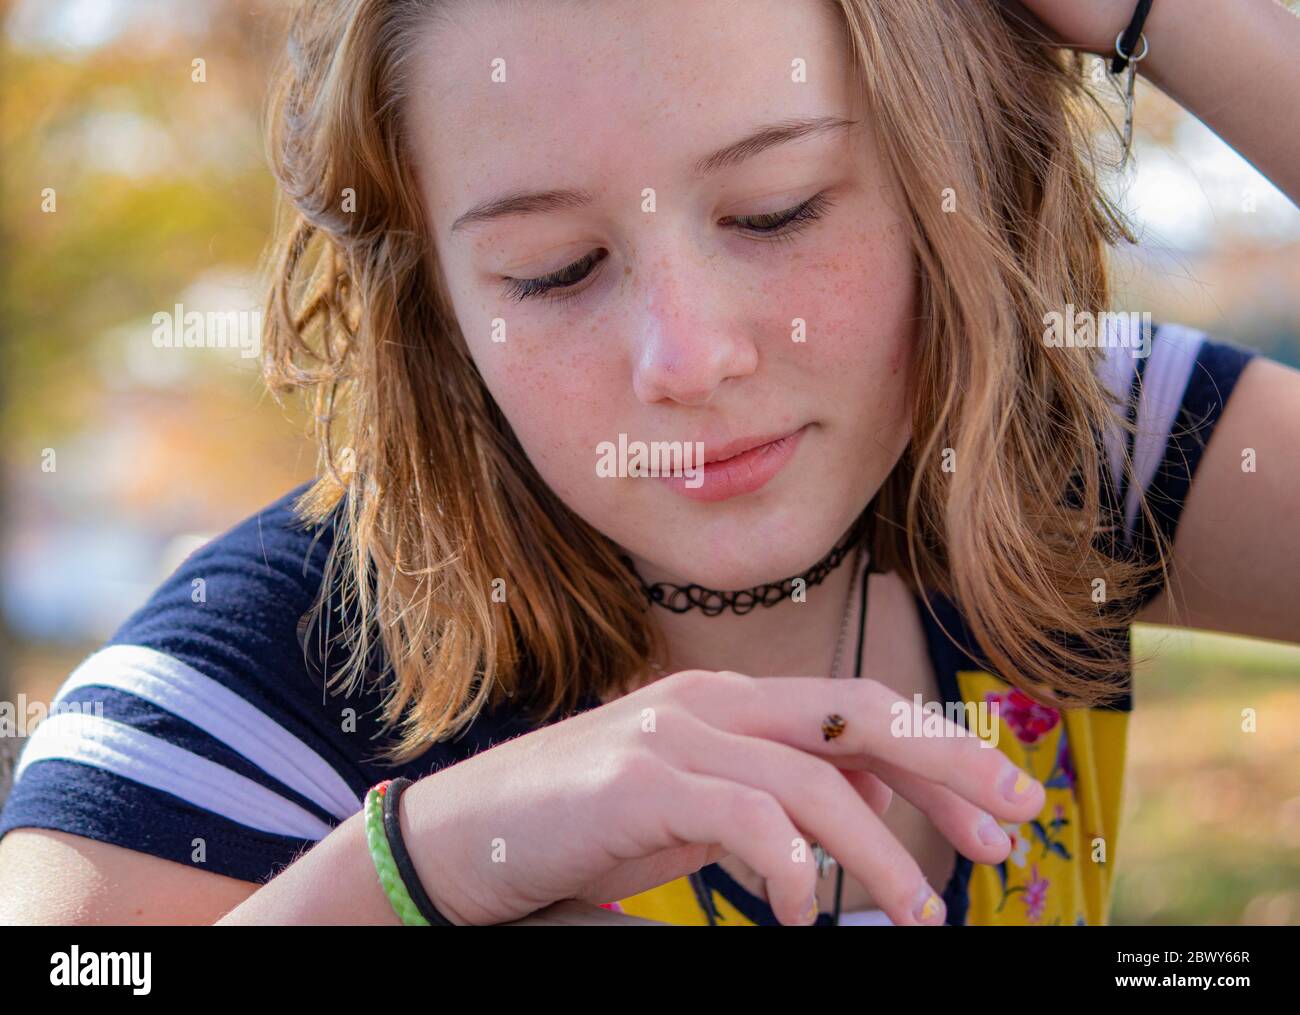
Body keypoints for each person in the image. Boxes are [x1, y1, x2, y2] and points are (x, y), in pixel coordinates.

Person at [1, 0, 1298, 927]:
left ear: (945, 172)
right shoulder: (221, 712)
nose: (686, 356)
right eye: (554, 270)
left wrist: (1171, 16)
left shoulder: (1071, 438)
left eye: (777, 209)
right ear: (440, 301)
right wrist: (415, 874)